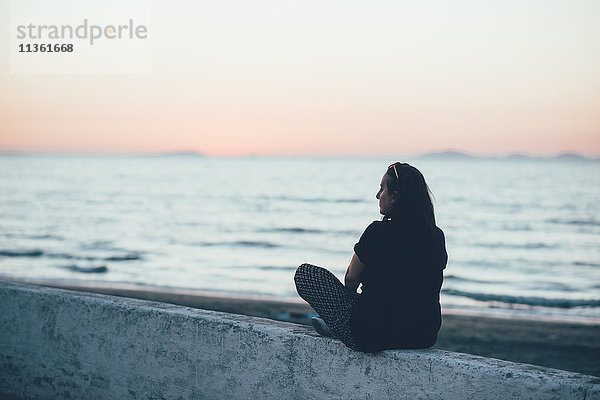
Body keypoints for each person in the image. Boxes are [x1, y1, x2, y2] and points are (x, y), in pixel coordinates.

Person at [294, 162, 447, 352]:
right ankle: (340, 323)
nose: (377, 195)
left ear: (395, 197)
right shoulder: (436, 236)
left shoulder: (377, 231)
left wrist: (346, 306)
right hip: (422, 335)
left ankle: (338, 326)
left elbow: (351, 279)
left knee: (305, 274)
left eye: (382, 189)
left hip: (373, 335)